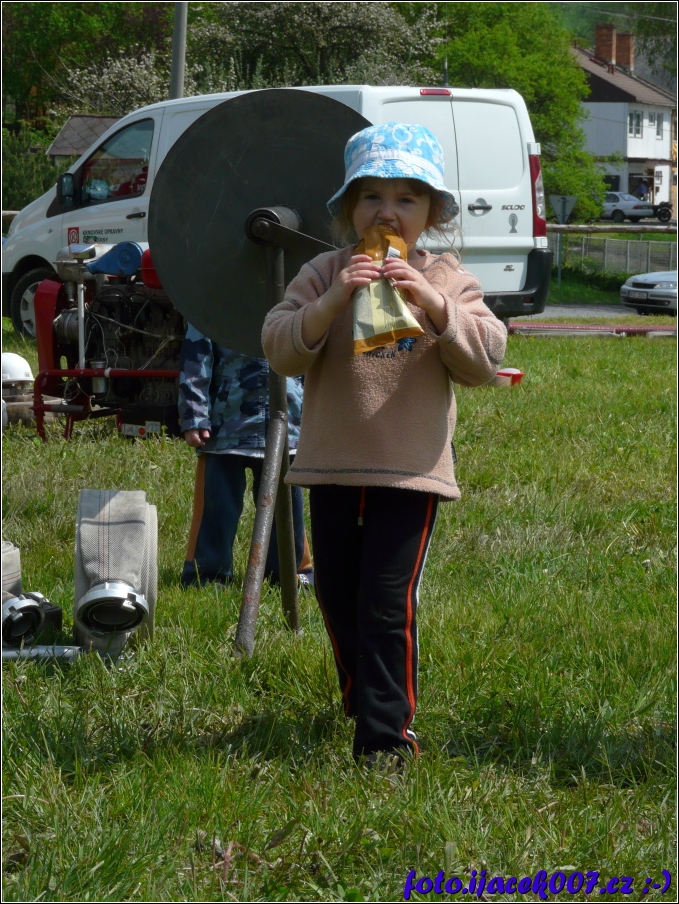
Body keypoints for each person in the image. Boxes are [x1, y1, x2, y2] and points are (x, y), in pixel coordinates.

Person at [261, 122, 507, 765]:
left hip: (409, 469)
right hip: (332, 464)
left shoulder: (446, 277)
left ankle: (386, 738)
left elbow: (484, 359)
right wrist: (332, 300)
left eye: (406, 198)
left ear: (432, 213)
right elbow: (281, 347)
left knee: (386, 601)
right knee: (336, 594)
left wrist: (433, 304)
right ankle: (363, 695)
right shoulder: (325, 271)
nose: (387, 212)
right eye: (371, 196)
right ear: (348, 209)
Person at [178, 323, 313, 588]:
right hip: (226, 424)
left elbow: (312, 351)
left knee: (286, 511)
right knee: (217, 508)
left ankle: (288, 575)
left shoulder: (298, 299)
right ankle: (208, 575)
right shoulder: (215, 304)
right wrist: (194, 415)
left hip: (287, 421)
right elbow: (196, 355)